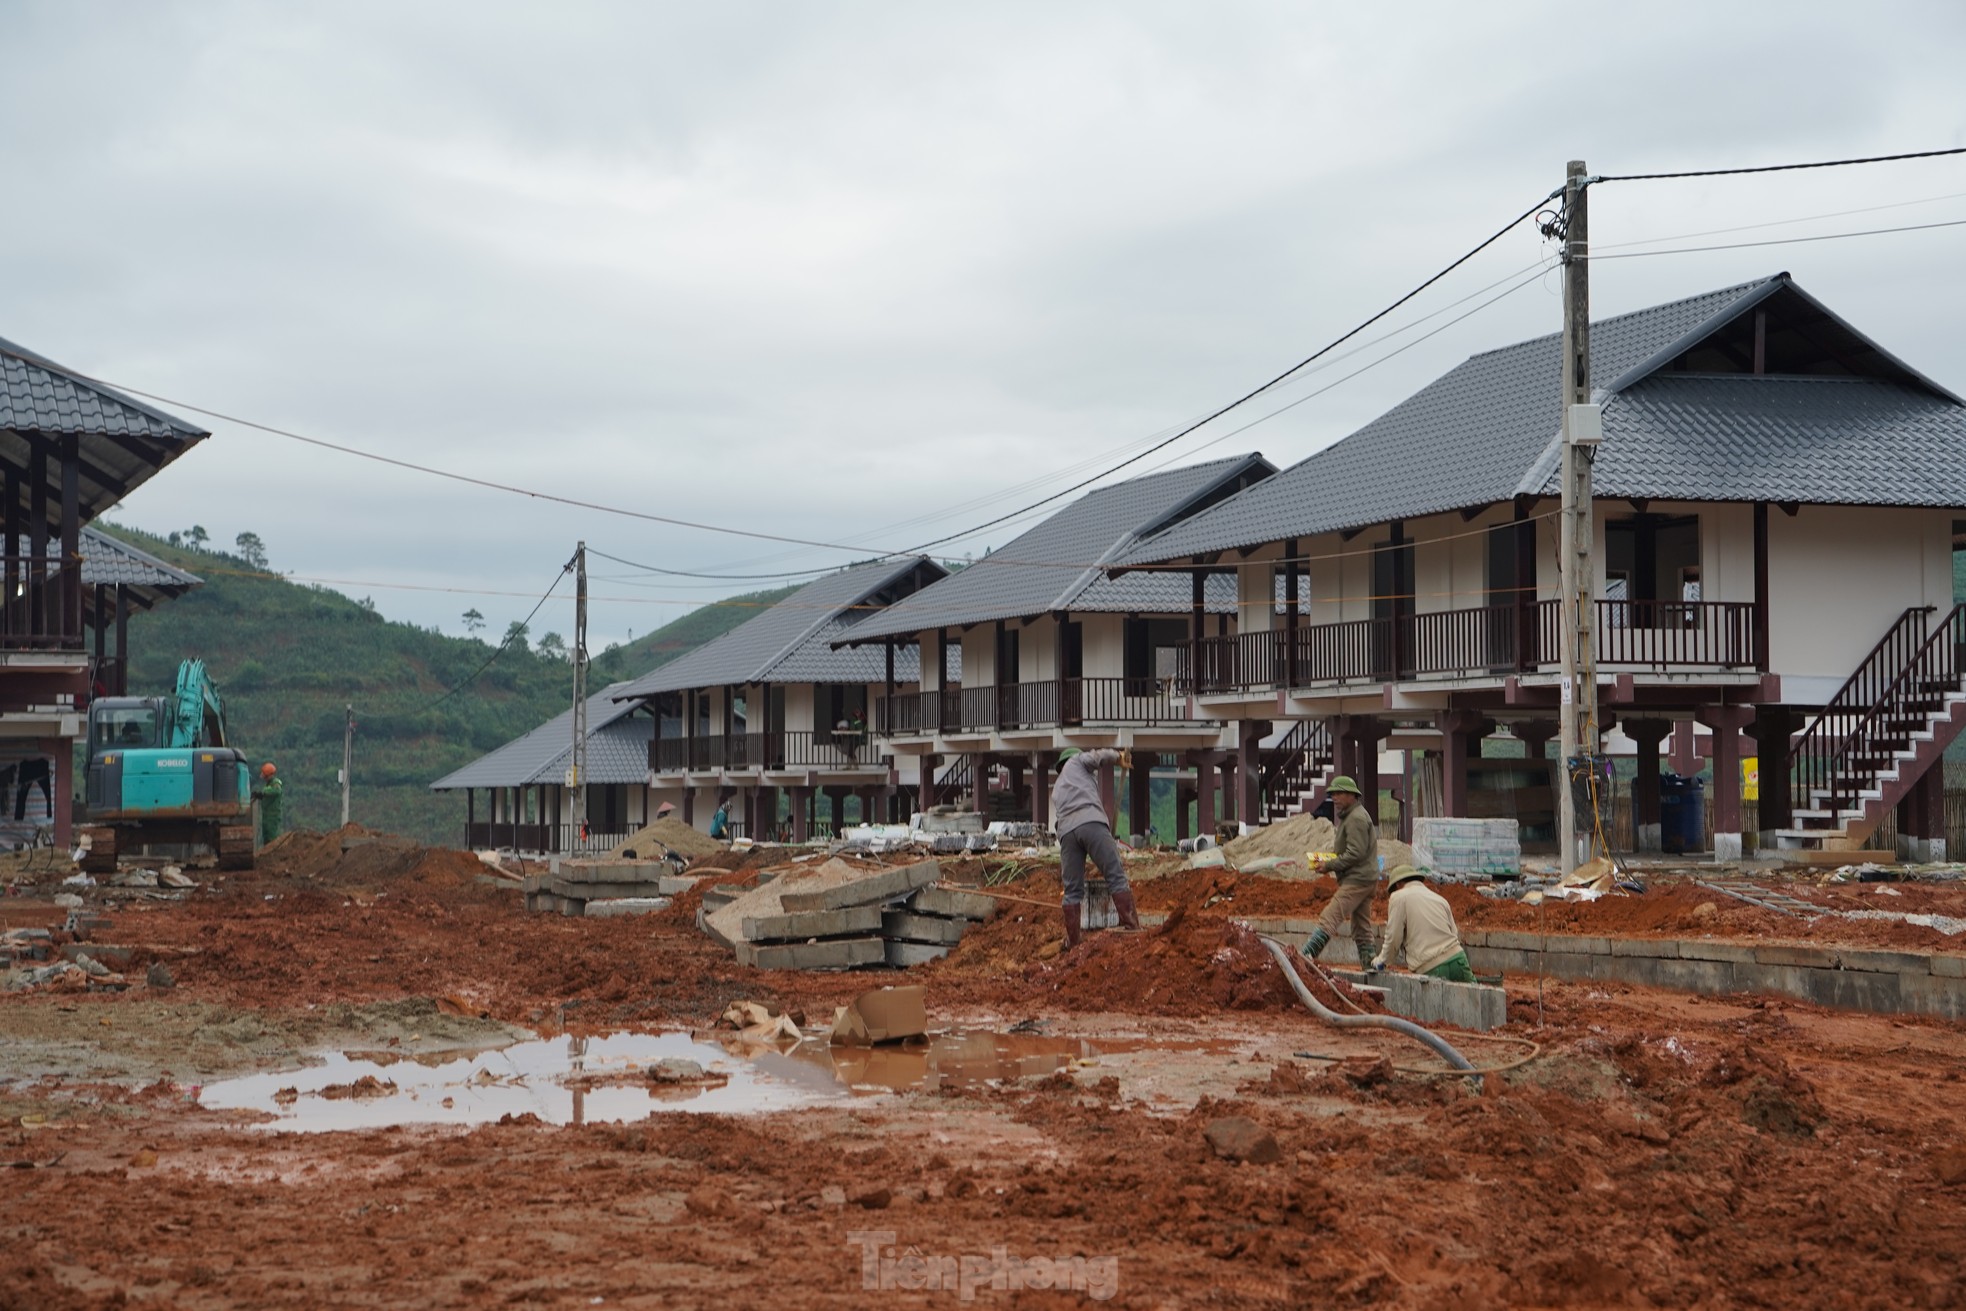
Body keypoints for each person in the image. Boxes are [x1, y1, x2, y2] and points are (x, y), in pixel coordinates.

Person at [1052, 746, 1140, 947]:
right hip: (1090, 821)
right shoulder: (1078, 761)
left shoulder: (1057, 787)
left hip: (1066, 833)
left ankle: (1074, 942)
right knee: (1115, 874)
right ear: (1072, 758)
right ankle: (1132, 929)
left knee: (1072, 890)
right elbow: (1098, 756)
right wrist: (1119, 757)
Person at [1297, 775, 1378, 970]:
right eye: (1332, 794)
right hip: (1366, 878)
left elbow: (1355, 853)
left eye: (1339, 793)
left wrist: (1329, 865)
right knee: (1361, 927)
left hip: (1357, 880)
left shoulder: (1356, 818)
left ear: (1352, 795)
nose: (1334, 797)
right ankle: (1370, 966)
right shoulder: (1355, 816)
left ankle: (1305, 958)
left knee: (1330, 917)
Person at [1373, 865, 1476, 981]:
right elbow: (1454, 933)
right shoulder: (1440, 899)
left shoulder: (1399, 897)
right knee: (1474, 998)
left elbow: (1393, 938)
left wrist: (1381, 961)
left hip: (1431, 966)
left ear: (1398, 884)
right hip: (1458, 959)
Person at [255, 763, 284, 844]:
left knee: (272, 837)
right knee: (266, 836)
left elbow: (277, 791)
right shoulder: (269, 784)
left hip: (272, 815)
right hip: (266, 815)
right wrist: (260, 796)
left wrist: (263, 793)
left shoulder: (276, 783)